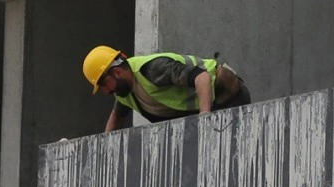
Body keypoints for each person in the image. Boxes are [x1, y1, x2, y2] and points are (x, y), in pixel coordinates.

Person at [82, 46, 251, 132]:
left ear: (117, 72)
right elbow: (116, 118)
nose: (105, 91)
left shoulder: (153, 70)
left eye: (104, 84)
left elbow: (203, 77)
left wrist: (204, 118)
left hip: (227, 97)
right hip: (208, 112)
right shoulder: (124, 92)